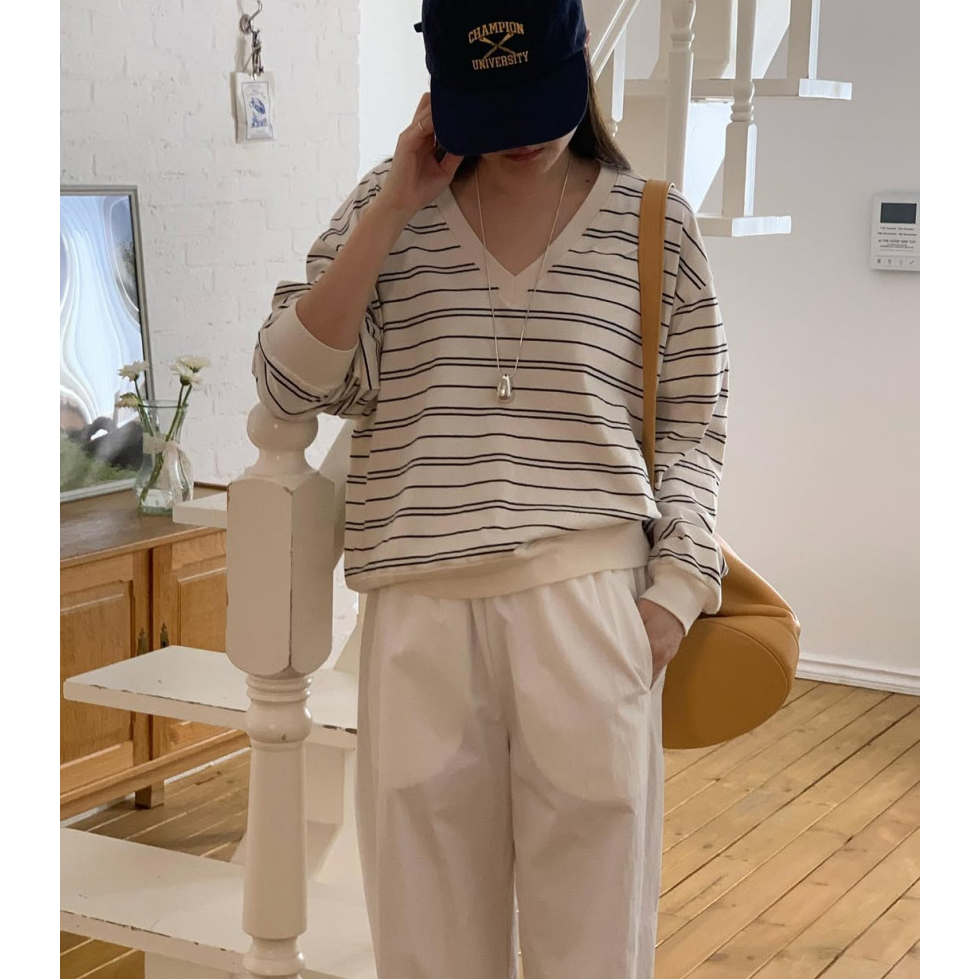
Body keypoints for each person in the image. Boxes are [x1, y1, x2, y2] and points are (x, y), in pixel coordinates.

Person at [252, 1, 729, 976]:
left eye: (535, 99)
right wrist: (392, 206)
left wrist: (673, 596)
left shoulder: (656, 226)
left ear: (578, 58)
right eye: (489, 105)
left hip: (589, 606)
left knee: (592, 944)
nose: (517, 135)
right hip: (419, 609)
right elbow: (285, 384)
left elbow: (694, 430)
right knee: (424, 944)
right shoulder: (387, 209)